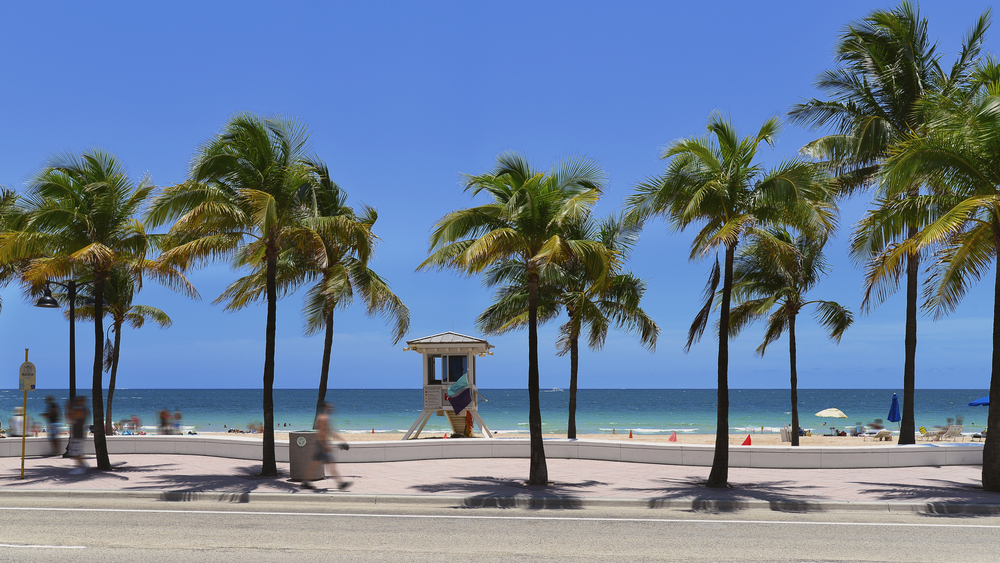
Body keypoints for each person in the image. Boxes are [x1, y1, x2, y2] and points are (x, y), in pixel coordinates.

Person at [301, 402, 351, 491]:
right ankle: (340, 483)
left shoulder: (325, 418)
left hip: (322, 444)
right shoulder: (322, 418)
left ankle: (305, 482)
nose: (331, 409)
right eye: (329, 407)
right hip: (322, 445)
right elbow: (320, 432)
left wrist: (342, 441)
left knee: (316, 463)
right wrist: (324, 445)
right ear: (325, 408)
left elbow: (330, 432)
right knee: (330, 464)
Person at [66, 396, 89, 475]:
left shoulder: (82, 410)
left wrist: (68, 408)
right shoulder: (81, 410)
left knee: (76, 452)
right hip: (77, 434)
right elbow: (70, 418)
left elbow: (70, 417)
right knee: (76, 452)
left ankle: (80, 468)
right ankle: (83, 465)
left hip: (78, 435)